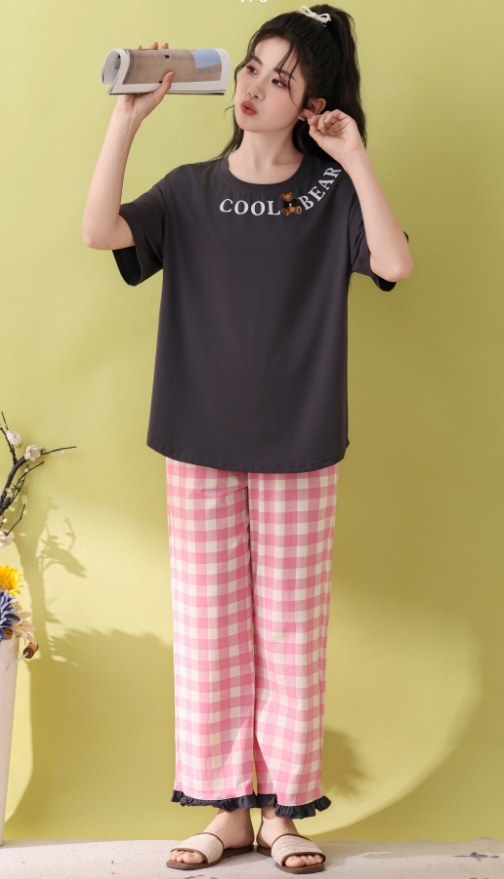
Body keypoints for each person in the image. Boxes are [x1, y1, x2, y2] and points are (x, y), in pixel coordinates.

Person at [82, 5, 413, 873]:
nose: (256, 88)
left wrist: (355, 156)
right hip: (197, 442)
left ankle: (285, 814)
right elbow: (99, 231)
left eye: (282, 78)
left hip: (300, 445)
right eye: (253, 68)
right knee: (210, 632)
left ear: (314, 104)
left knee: (292, 635)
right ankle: (228, 811)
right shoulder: (190, 189)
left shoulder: (330, 191)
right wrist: (127, 120)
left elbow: (394, 263)